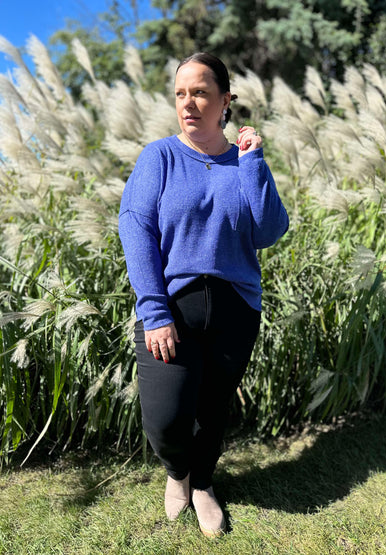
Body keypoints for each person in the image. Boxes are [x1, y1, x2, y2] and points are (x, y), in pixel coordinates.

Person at [118, 52, 289, 538]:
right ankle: (178, 473)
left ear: (225, 100)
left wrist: (252, 162)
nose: (188, 103)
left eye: (200, 92)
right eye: (180, 94)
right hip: (172, 305)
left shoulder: (245, 161)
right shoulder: (160, 157)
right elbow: (135, 227)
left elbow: (270, 230)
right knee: (167, 419)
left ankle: (203, 484)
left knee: (212, 410)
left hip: (236, 308)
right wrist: (153, 310)